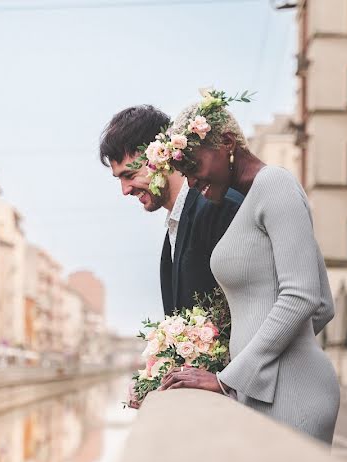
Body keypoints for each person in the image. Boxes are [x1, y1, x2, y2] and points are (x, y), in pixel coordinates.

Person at [157, 90, 340, 444]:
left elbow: (305, 297)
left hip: (291, 394)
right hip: (263, 388)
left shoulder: (276, 184)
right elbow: (324, 305)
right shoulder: (252, 200)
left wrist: (232, 377)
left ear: (227, 143)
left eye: (193, 167)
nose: (191, 182)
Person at [99, 105, 242, 318]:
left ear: (159, 156)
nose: (125, 190)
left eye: (130, 175)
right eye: (119, 178)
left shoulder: (219, 207)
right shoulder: (177, 222)